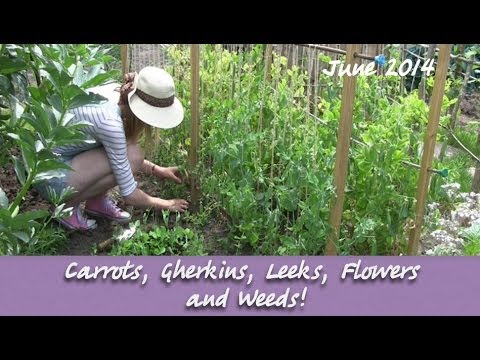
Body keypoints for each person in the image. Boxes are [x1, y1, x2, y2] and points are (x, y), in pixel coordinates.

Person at [35, 66, 189, 231]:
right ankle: (66, 209)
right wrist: (166, 204)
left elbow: (119, 155)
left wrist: (158, 170)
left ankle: (96, 202)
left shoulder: (116, 94)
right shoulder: (110, 124)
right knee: (134, 156)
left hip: (49, 162)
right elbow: (129, 193)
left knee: (132, 157)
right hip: (49, 177)